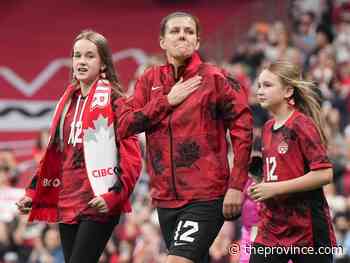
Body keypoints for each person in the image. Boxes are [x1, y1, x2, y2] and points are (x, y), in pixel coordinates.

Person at [116, 12, 253, 263]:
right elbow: (124, 125)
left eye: (189, 31)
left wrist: (236, 185)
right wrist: (166, 101)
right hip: (165, 198)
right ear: (162, 41)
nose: (182, 35)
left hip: (206, 195)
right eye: (175, 30)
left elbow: (243, 130)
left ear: (197, 42)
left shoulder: (216, 78)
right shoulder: (149, 80)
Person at [16, 30, 142, 263]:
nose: (81, 61)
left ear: (103, 63)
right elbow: (55, 154)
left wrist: (112, 197)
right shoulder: (67, 101)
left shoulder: (116, 101)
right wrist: (33, 192)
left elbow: (132, 158)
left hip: (99, 200)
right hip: (67, 200)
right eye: (77, 56)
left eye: (89, 56)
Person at [249, 61, 336, 263]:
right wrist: (260, 184)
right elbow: (278, 173)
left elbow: (324, 174)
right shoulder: (267, 128)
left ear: (288, 91)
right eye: (259, 85)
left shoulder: (301, 124)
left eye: (268, 85)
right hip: (272, 228)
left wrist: (275, 188)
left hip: (307, 231)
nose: (260, 90)